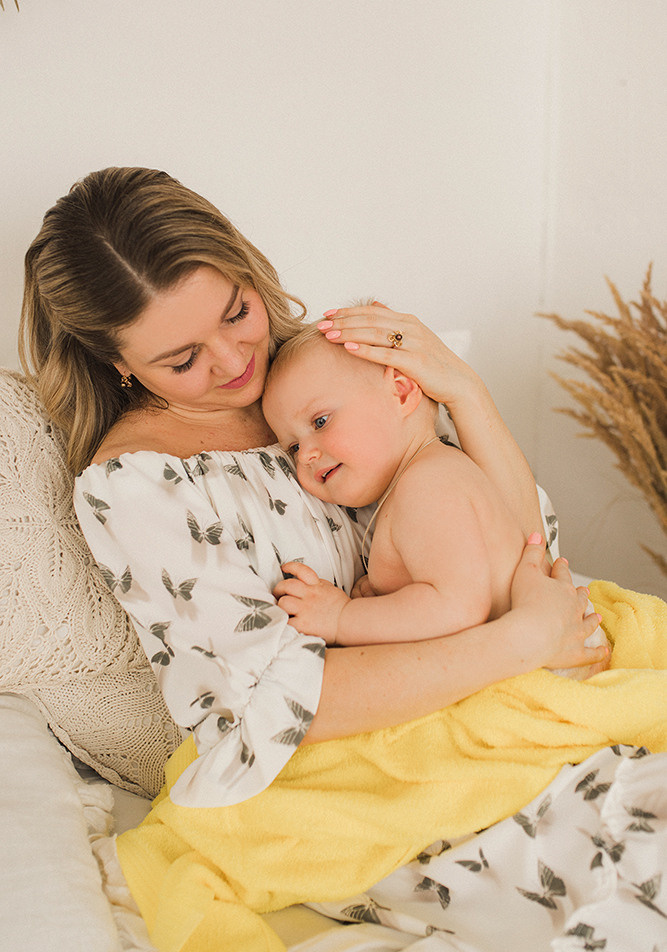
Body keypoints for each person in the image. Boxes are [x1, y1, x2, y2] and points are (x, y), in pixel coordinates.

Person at [18, 166, 606, 810]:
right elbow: (281, 703)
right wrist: (519, 642)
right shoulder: (137, 487)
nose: (235, 359)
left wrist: (466, 393)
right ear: (119, 364)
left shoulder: (323, 374)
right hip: (361, 779)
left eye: (238, 312)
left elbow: (525, 553)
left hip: (510, 713)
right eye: (183, 360)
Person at [262, 325, 605, 672]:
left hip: (548, 665)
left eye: (320, 421)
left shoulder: (428, 485)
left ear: (400, 392)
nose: (305, 454)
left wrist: (343, 617)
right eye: (292, 446)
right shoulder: (429, 475)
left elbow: (457, 609)